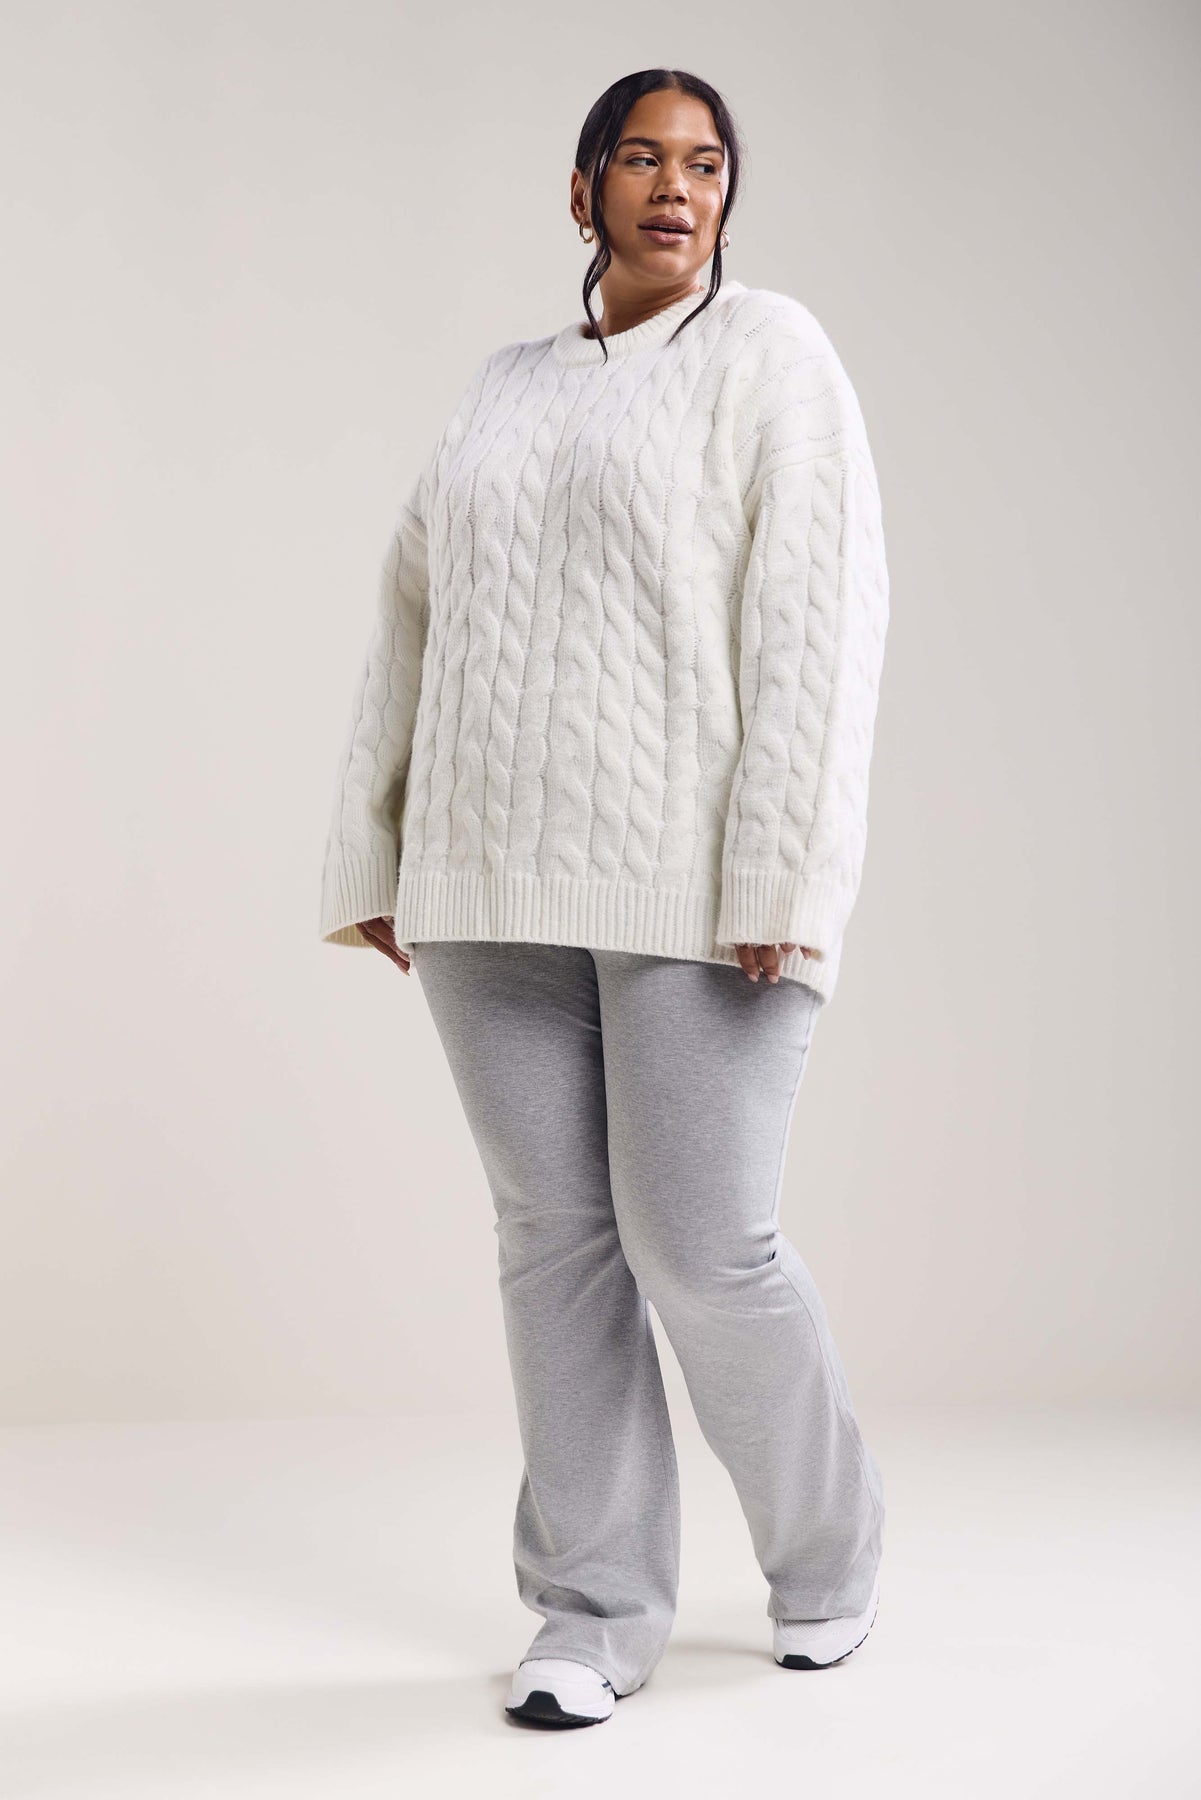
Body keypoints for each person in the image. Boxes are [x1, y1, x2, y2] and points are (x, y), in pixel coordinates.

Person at [318, 67, 890, 1730]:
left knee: (703, 1248)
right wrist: (373, 849)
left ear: (727, 197)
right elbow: (409, 618)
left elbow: (817, 623)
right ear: (581, 194)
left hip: (694, 887)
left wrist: (781, 870)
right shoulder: (501, 389)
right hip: (485, 878)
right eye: (639, 158)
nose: (673, 187)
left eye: (703, 163)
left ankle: (829, 1556)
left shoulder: (772, 357)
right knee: (554, 1247)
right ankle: (591, 1608)